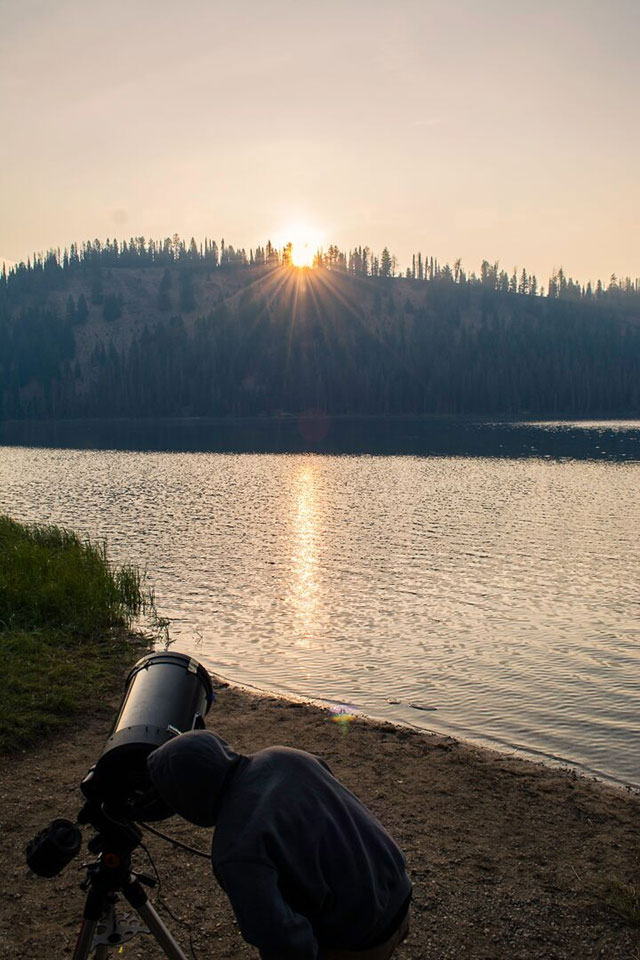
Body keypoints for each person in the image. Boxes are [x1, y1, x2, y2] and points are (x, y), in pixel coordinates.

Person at [147, 730, 412, 960]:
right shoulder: (284, 756)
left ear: (186, 797)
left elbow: (280, 937)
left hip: (364, 937)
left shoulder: (234, 847)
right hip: (399, 890)